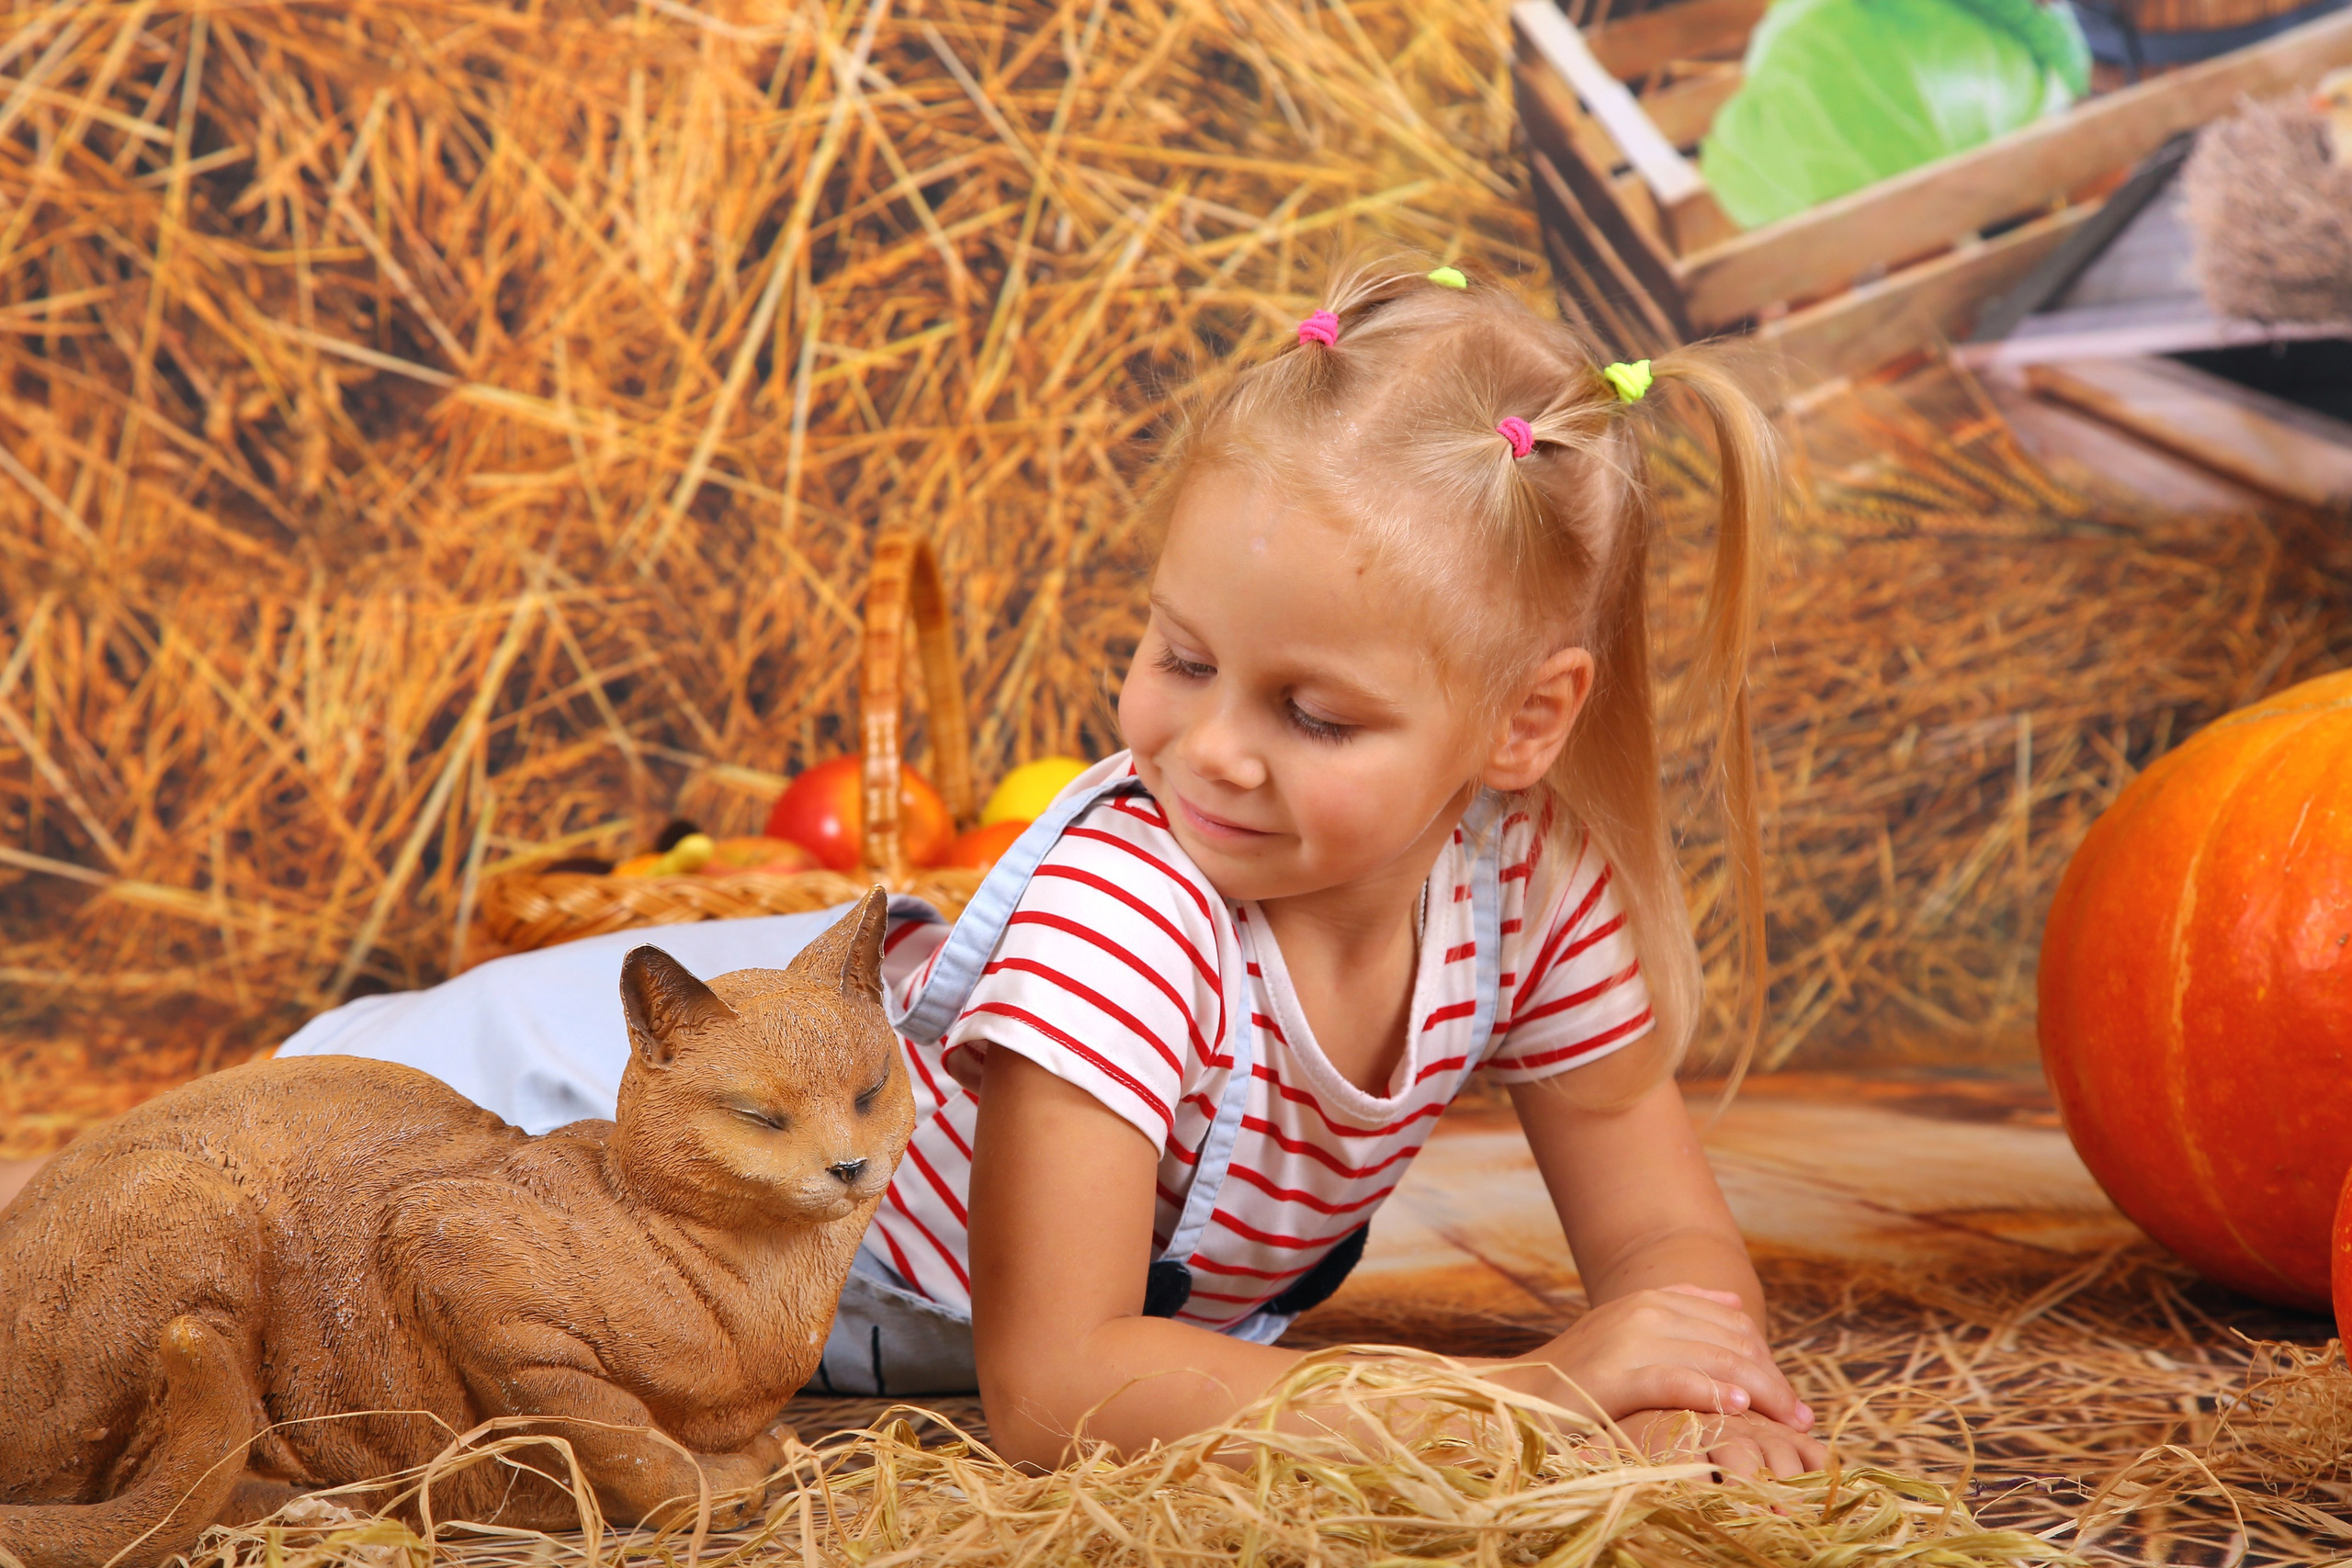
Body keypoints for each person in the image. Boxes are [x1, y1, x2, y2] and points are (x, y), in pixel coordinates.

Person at [285, 258, 1819, 1480]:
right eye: (1181, 656)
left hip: (802, 1198)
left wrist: (1706, 1379)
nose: (1208, 746)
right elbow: (1056, 1382)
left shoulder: (1527, 893)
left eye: (1312, 711)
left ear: (1526, 720)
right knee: (322, 1265)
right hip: (553, 1124)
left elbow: (1663, 1241)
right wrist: (1539, 1395)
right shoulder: (1128, 912)